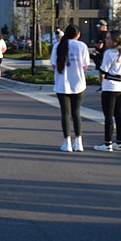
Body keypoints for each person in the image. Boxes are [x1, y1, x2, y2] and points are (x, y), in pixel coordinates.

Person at [50, 24, 90, 152]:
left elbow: (54, 65)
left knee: (65, 114)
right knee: (76, 113)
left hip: (62, 84)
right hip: (78, 83)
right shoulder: (82, 46)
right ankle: (79, 142)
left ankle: (67, 142)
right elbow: (85, 65)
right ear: (77, 34)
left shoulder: (58, 46)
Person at [93, 30, 121, 152]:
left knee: (108, 116)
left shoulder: (109, 53)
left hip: (110, 86)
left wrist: (95, 58)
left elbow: (104, 70)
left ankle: (108, 143)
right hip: (120, 85)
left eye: (108, 38)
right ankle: (119, 141)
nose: (106, 40)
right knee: (118, 114)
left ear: (114, 40)